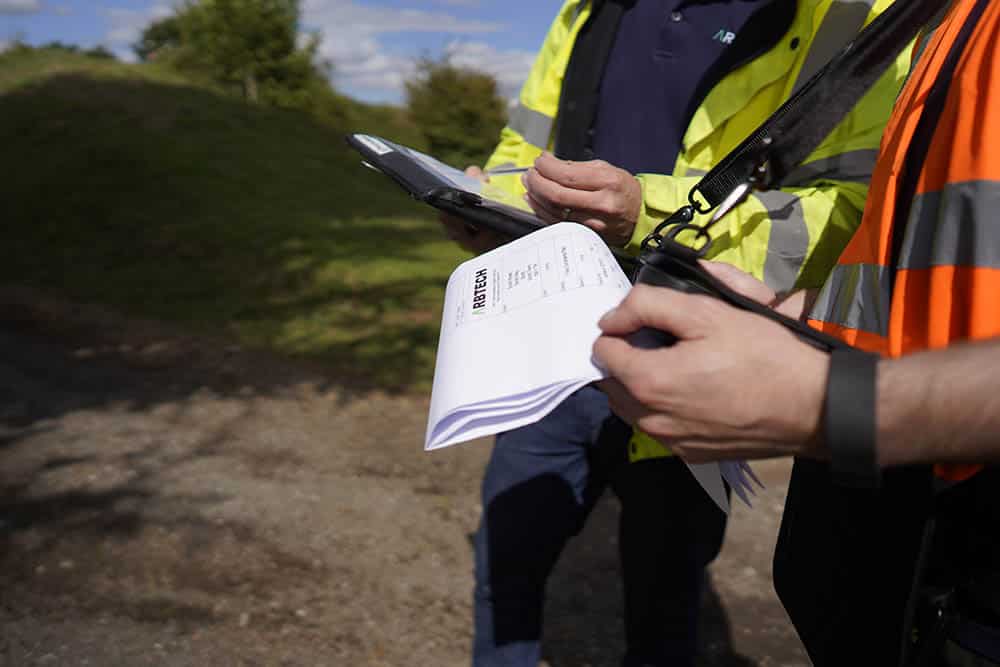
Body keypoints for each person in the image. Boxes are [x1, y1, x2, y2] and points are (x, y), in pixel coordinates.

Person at [440, 0, 910, 665]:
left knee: (666, 597)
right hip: (549, 334)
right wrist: (489, 201)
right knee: (506, 561)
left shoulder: (853, 15)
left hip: (696, 353)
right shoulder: (587, 9)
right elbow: (526, 146)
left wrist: (648, 213)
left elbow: (851, 209)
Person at [593, 0, 1000, 664]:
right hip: (905, 577)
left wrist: (830, 404)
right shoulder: (952, 18)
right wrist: (789, 316)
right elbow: (926, 274)